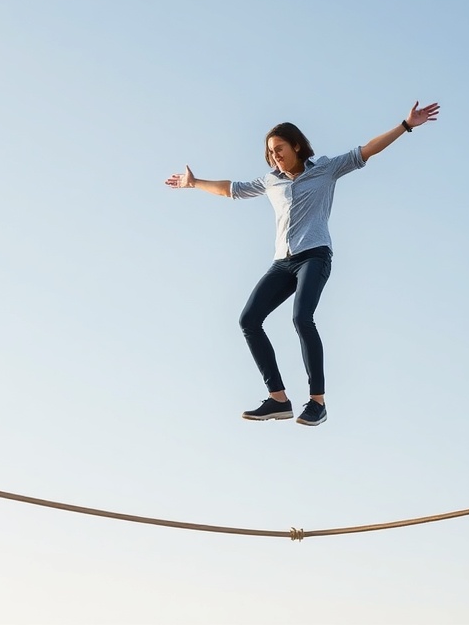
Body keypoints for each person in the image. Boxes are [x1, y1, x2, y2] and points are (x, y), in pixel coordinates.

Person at [165, 101, 440, 426]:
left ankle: (317, 402)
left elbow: (367, 150)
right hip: (282, 262)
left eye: (279, 148)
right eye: (270, 152)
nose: (274, 156)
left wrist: (405, 126)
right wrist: (194, 183)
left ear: (296, 145)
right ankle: (278, 399)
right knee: (248, 320)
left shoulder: (326, 169)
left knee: (302, 317)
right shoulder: (270, 181)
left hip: (315, 255)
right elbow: (230, 190)